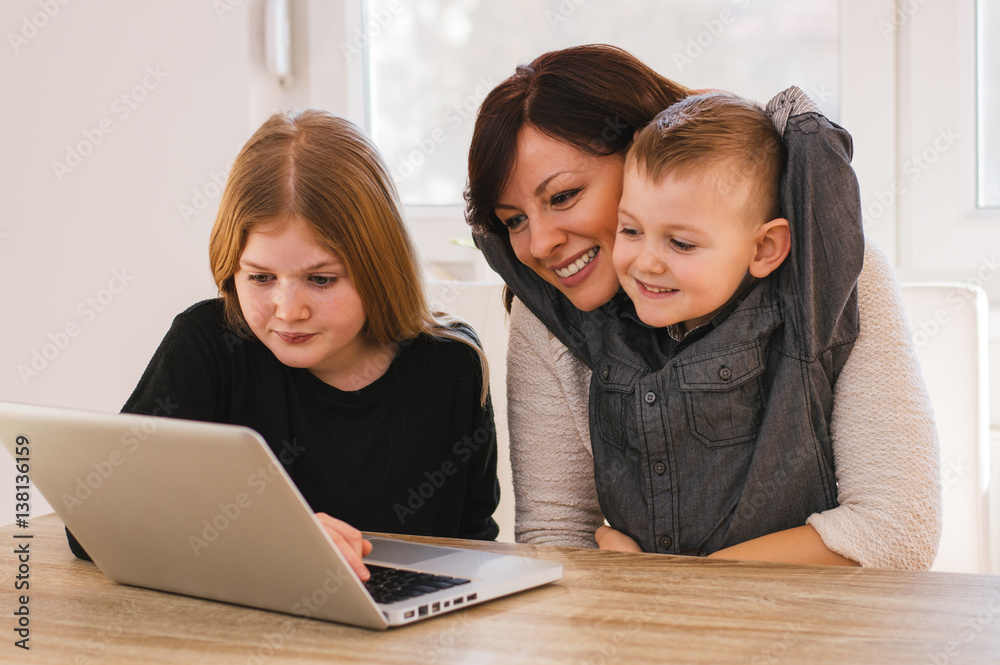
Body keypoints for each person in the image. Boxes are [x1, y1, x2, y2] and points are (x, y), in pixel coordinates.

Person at [465, 44, 942, 569]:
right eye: (514, 220)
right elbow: (555, 541)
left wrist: (664, 579)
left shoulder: (832, 274)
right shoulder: (547, 312)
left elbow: (898, 532)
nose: (540, 245)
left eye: (563, 196)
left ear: (643, 157)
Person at [68, 110, 501, 579]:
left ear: (379, 264)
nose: (288, 309)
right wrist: (274, 541)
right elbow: (90, 525)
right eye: (260, 277)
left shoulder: (451, 365)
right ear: (231, 270)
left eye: (320, 279)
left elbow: (474, 543)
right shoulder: (209, 346)